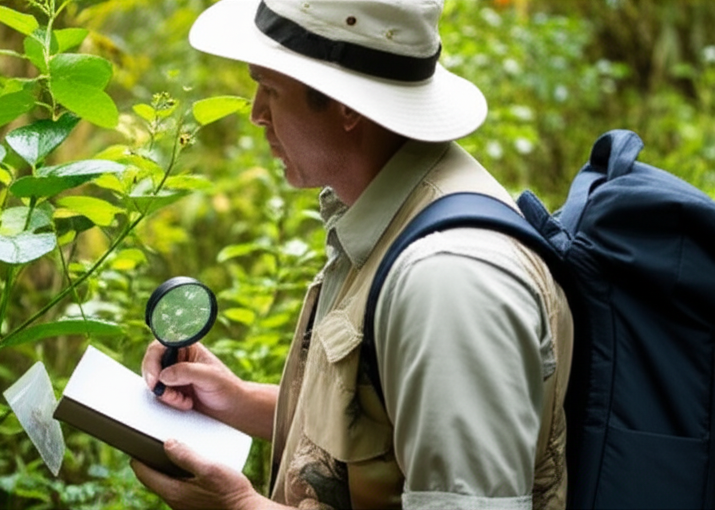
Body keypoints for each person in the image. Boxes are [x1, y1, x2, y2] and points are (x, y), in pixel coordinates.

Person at [132, 0, 574, 509]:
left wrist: (238, 507)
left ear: (347, 107)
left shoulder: (450, 283)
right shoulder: (384, 209)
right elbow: (381, 430)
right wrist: (236, 401)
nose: (256, 114)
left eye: (271, 89)